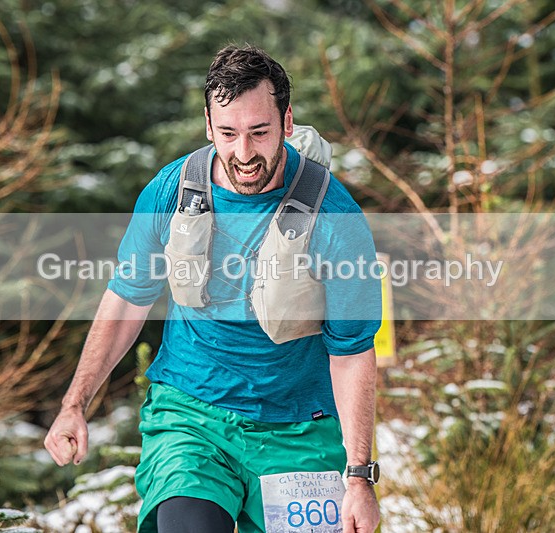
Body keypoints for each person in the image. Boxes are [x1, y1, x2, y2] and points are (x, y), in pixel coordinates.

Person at [44, 45, 382, 533]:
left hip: (300, 428)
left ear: (287, 122)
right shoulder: (171, 191)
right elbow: (127, 298)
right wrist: (74, 404)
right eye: (228, 133)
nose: (244, 153)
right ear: (208, 125)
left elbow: (351, 353)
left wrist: (358, 478)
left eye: (259, 133)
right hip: (192, 419)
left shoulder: (337, 218)